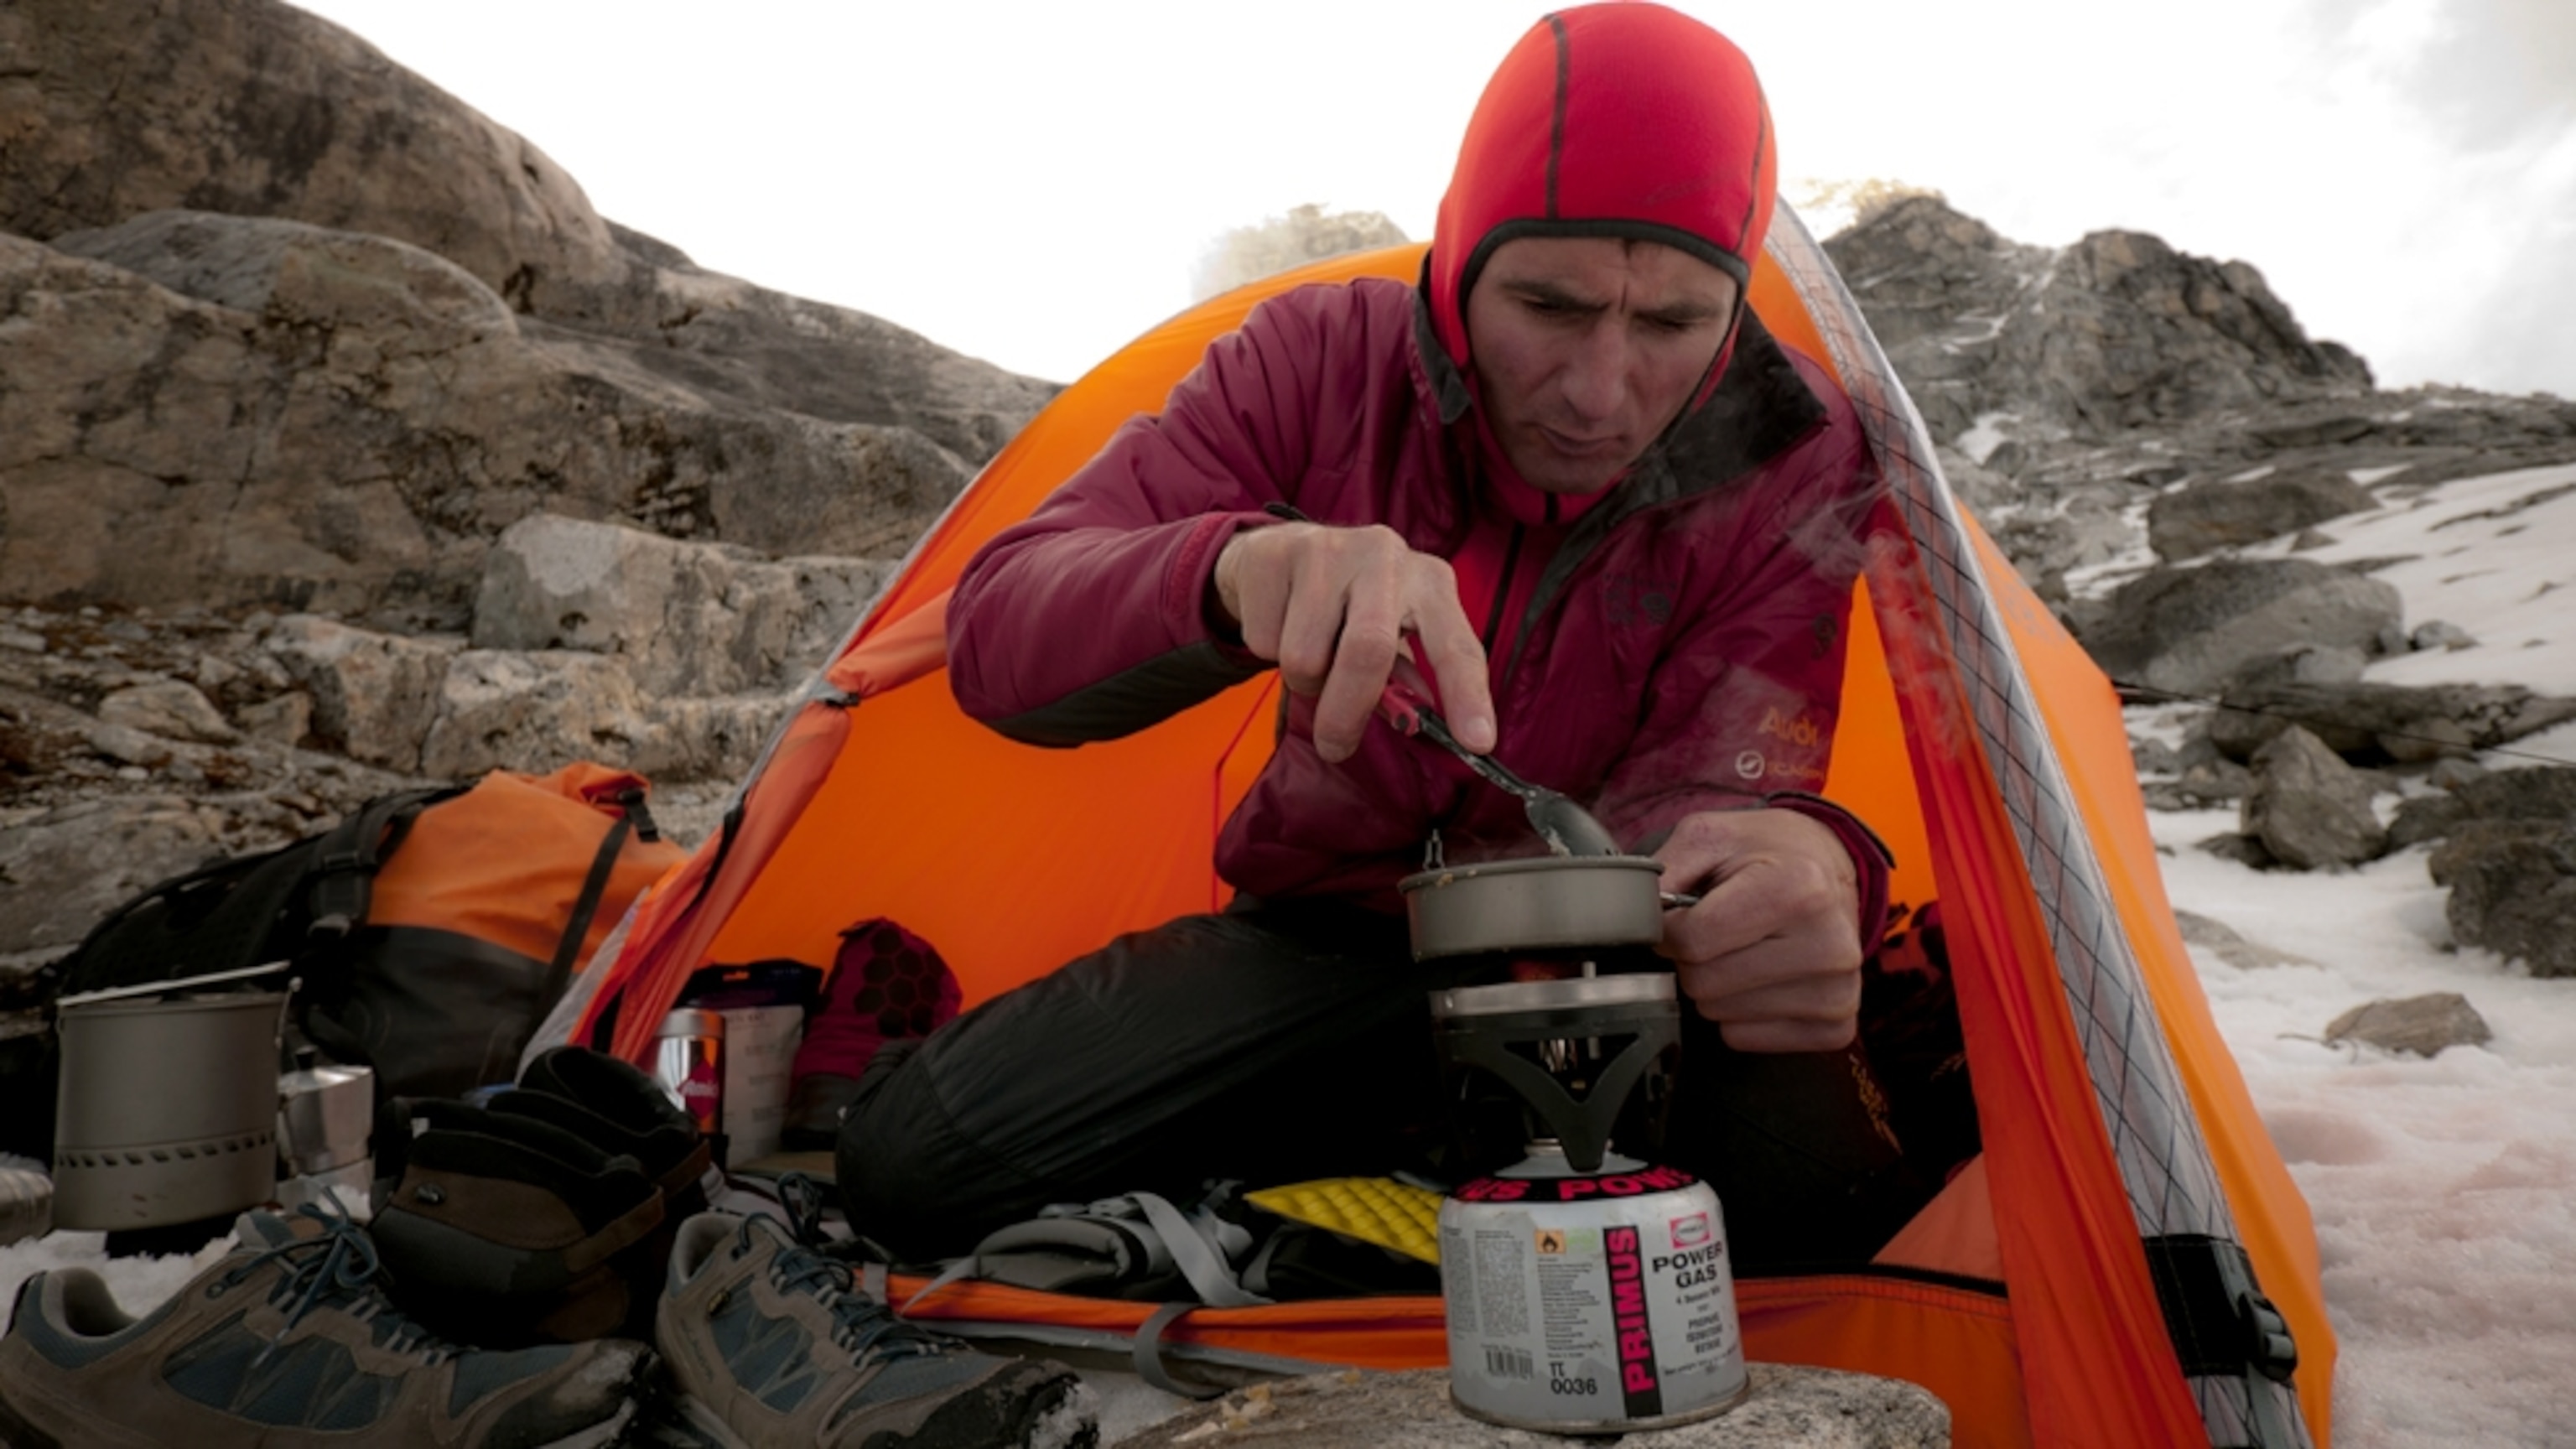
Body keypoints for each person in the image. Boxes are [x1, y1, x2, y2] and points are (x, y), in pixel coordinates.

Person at [837, 2, 1927, 1273]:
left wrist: (1819, 866)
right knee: (912, 1166)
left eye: (1674, 324)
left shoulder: (1793, 452)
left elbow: (1730, 790)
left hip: (1626, 963)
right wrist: (1230, 569)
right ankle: (1420, 1179)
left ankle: (1344, 1193)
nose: (1598, 393)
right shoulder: (1315, 361)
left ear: (1731, 315)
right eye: (1548, 304)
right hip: (1332, 939)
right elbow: (997, 637)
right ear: (1458, 268)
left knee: (1831, 1214)